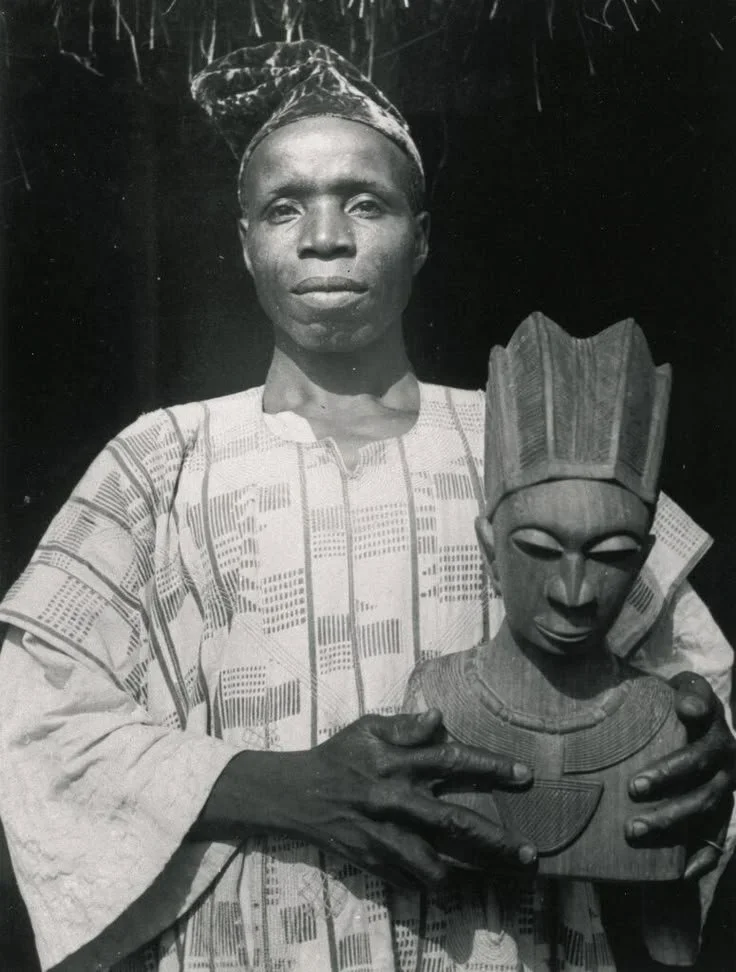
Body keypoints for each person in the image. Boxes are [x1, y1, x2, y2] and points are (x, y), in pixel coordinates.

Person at [0, 40, 733, 972]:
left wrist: (701, 763)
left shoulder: (531, 439)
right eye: (283, 208)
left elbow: (697, 681)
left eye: (365, 202)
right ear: (244, 242)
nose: (324, 237)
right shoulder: (160, 462)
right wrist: (293, 788)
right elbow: (34, 728)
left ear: (420, 237)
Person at [400, 313, 706, 970]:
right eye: (538, 549)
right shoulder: (437, 701)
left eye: (612, 554)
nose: (573, 592)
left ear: (645, 556)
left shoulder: (660, 723)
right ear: (488, 550)